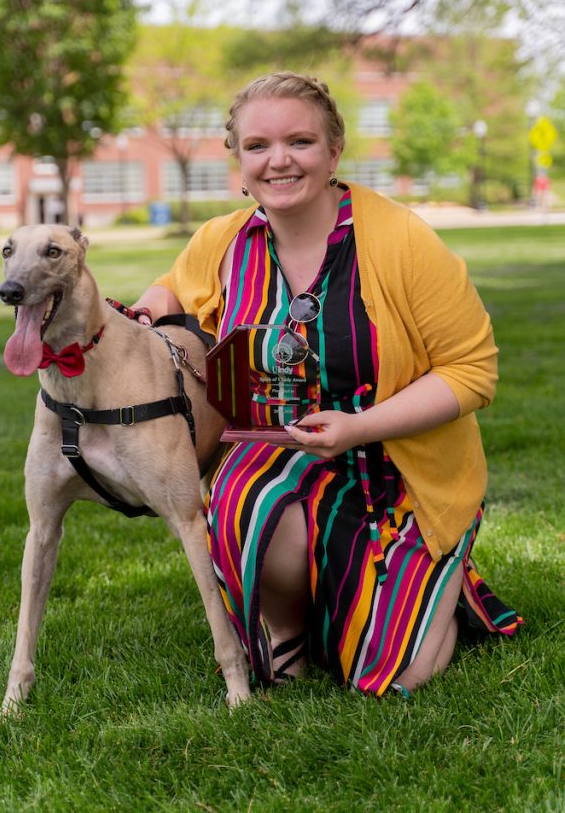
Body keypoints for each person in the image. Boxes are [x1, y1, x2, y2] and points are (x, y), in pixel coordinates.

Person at [134, 71, 521, 697]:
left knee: (397, 679)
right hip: (280, 456)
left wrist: (360, 427)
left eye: (300, 142)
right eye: (257, 145)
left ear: (334, 151)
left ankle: (438, 585)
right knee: (242, 491)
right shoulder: (223, 240)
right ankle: (284, 630)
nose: (278, 160)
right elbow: (174, 288)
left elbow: (472, 372)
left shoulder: (400, 240)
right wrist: (147, 312)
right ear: (239, 158)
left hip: (398, 470)